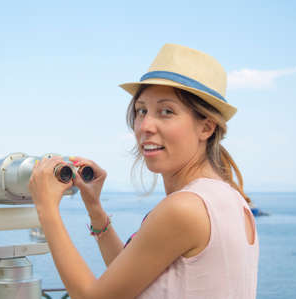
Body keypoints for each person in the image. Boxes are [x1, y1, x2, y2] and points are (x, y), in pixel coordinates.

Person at [29, 44, 259, 299]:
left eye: (166, 112)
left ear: (206, 127)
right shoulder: (232, 201)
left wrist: (46, 208)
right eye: (141, 111)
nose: (145, 126)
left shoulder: (185, 208)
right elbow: (130, 281)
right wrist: (95, 209)